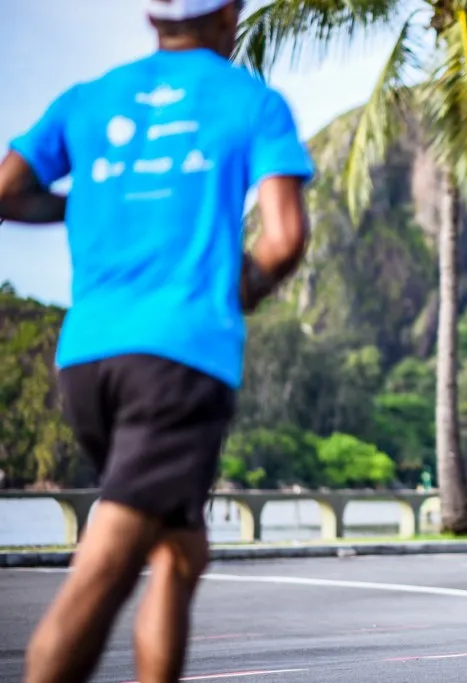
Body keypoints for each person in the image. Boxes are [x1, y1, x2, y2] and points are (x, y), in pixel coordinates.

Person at [0, 1, 313, 681]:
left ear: (151, 17)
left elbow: (8, 189)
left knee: (179, 552)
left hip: (85, 358)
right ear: (229, 15)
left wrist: (88, 204)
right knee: (106, 568)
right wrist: (245, 287)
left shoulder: (88, 99)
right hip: (176, 362)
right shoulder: (251, 101)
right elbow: (285, 239)